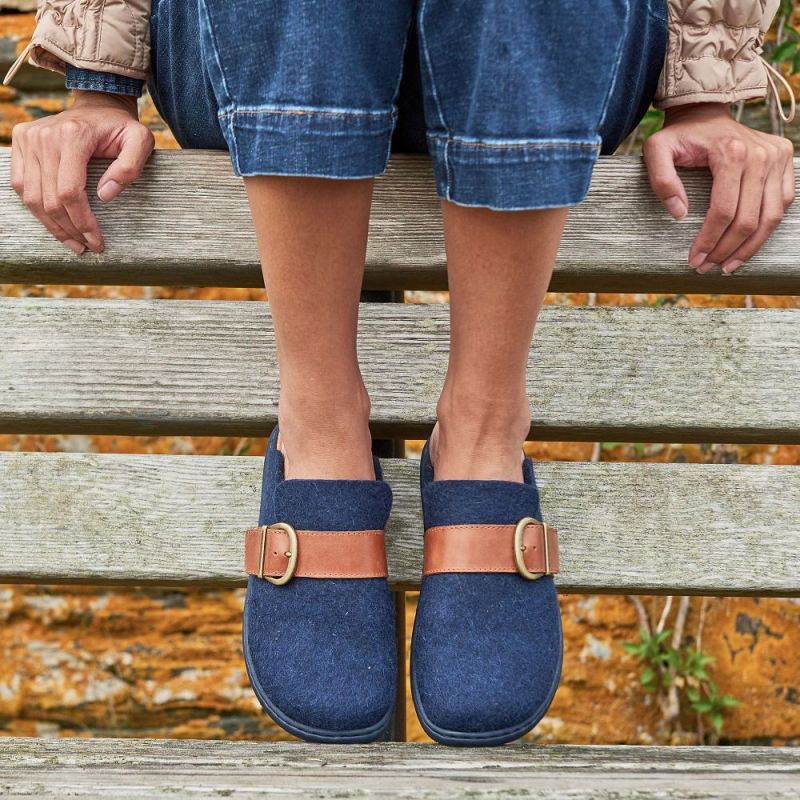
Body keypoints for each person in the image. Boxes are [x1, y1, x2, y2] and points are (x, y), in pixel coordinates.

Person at [5, 0, 795, 746]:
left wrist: (704, 98)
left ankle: (484, 430)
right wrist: (98, 83)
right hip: (257, 55)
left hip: (555, 55)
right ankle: (321, 424)